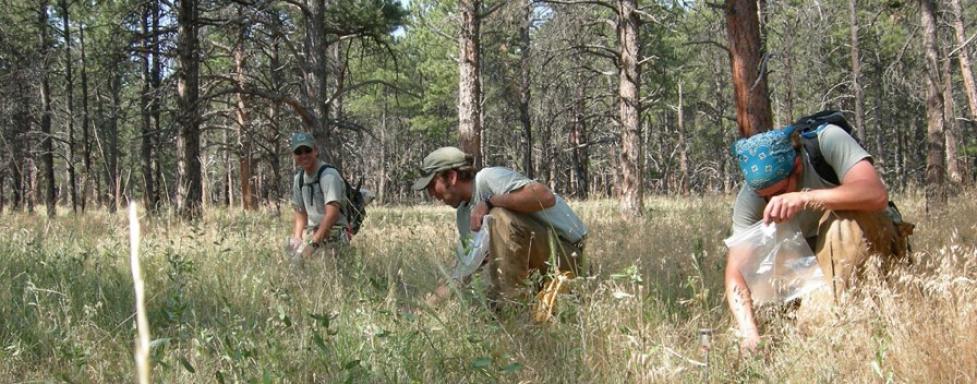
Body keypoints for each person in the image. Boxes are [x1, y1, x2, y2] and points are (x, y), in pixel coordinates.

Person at [724, 123, 912, 351]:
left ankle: (854, 316)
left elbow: (875, 194)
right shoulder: (751, 199)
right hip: (811, 264)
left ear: (797, 165)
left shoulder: (828, 141)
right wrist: (749, 333)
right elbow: (736, 271)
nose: (771, 200)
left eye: (779, 192)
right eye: (764, 197)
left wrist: (805, 198)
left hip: (872, 242)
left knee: (842, 225)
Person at [412, 147, 588, 318]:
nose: (431, 194)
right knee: (484, 304)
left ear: (451, 177)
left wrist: (489, 203)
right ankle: (517, 305)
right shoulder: (463, 216)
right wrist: (424, 309)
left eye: (432, 185)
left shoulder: (488, 178)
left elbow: (545, 197)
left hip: (569, 258)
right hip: (538, 273)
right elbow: (462, 267)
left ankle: (514, 311)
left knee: (498, 216)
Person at [288, 132, 352, 261]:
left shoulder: (329, 175)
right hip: (313, 233)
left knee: (326, 272)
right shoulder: (299, 179)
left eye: (307, 150)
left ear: (315, 151)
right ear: (294, 156)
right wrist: (297, 239)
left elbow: (332, 215)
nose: (303, 155)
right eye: (298, 152)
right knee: (295, 260)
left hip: (334, 234)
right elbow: (300, 215)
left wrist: (313, 245)